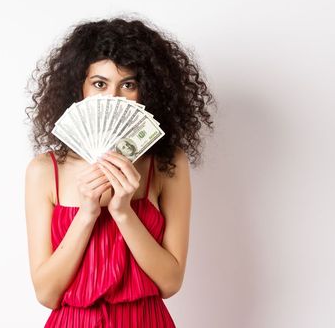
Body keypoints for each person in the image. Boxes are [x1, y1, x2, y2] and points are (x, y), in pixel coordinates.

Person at [23, 16, 216, 327]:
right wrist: (86, 214)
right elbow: (47, 293)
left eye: (128, 84)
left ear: (146, 91)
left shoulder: (167, 164)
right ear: (80, 88)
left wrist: (123, 212)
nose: (112, 97)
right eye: (99, 83)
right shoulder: (45, 171)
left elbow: (170, 282)